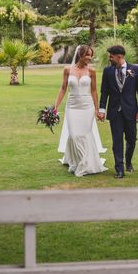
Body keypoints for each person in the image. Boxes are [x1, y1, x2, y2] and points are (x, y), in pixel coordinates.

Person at [54, 45, 107, 176]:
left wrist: (96, 109)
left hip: (87, 107)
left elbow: (94, 90)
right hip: (72, 106)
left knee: (84, 134)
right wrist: (55, 106)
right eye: (87, 55)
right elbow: (63, 88)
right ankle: (77, 160)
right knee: (73, 135)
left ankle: (84, 163)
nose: (89, 57)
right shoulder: (67, 70)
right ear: (80, 55)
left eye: (91, 55)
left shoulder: (92, 71)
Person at [97, 45, 138, 179]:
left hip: (131, 111)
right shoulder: (107, 72)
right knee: (117, 141)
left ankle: (128, 162)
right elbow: (104, 92)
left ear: (119, 56)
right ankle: (119, 169)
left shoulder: (135, 70)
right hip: (114, 112)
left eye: (111, 56)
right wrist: (102, 109)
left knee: (132, 139)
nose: (109, 59)